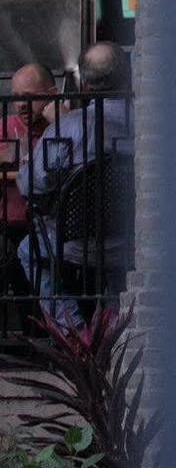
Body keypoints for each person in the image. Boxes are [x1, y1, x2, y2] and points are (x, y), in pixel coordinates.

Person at [17, 43, 133, 328]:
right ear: (129, 76)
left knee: (26, 250)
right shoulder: (151, 123)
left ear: (85, 83)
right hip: (132, 240)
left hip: (76, 244)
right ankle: (117, 334)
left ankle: (75, 334)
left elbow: (30, 185)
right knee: (117, 269)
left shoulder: (69, 127)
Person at [0, 62, 52, 292]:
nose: (21, 105)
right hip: (8, 224)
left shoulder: (65, 125)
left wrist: (57, 120)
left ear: (52, 94)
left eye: (29, 97)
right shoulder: (4, 126)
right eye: (16, 97)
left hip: (49, 225)